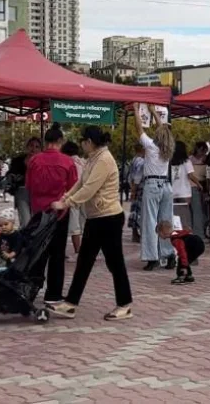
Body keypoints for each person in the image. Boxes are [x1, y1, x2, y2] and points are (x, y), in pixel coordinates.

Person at [48, 126, 133, 321]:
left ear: (90, 141)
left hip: (109, 218)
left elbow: (90, 188)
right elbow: (80, 183)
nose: (81, 145)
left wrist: (66, 203)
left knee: (115, 263)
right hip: (96, 218)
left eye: (83, 141)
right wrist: (67, 195)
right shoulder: (93, 158)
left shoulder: (104, 159)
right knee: (84, 261)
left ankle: (125, 304)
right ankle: (70, 304)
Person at [25, 124, 79, 304]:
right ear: (59, 141)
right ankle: (53, 294)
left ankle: (31, 289)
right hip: (59, 214)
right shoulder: (67, 162)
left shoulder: (34, 161)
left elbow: (29, 187)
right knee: (57, 255)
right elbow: (73, 188)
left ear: (46, 142)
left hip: (38, 214)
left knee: (38, 252)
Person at [138, 110, 175, 271]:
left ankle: (151, 257)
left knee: (150, 221)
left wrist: (136, 110)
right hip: (166, 185)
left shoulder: (151, 147)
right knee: (166, 221)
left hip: (152, 184)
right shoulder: (168, 149)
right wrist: (154, 112)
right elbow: (163, 130)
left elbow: (139, 129)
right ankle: (169, 253)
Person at [169, 141, 199, 238]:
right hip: (184, 193)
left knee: (174, 214)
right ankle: (186, 233)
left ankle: (175, 232)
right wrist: (199, 184)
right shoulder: (187, 162)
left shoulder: (169, 162)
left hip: (172, 192)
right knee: (185, 214)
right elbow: (190, 175)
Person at [62, 141, 87, 254]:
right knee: (84, 224)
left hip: (73, 196)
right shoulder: (83, 162)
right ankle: (87, 249)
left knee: (74, 226)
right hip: (85, 195)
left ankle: (78, 250)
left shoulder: (67, 162)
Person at [189, 142, 210, 239]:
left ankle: (199, 230)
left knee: (202, 211)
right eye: (202, 151)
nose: (203, 153)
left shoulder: (205, 160)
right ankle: (198, 233)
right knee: (197, 211)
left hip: (201, 186)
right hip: (195, 186)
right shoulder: (190, 160)